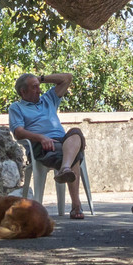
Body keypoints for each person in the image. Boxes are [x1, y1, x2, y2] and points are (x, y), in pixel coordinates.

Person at [8, 71, 87, 219]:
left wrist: (40, 79)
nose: (39, 90)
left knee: (76, 132)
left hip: (62, 142)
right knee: (76, 153)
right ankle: (76, 206)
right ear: (23, 92)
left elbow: (67, 78)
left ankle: (65, 168)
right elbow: (18, 132)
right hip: (41, 146)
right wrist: (41, 138)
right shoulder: (16, 107)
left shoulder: (48, 99)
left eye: (39, 86)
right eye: (34, 87)